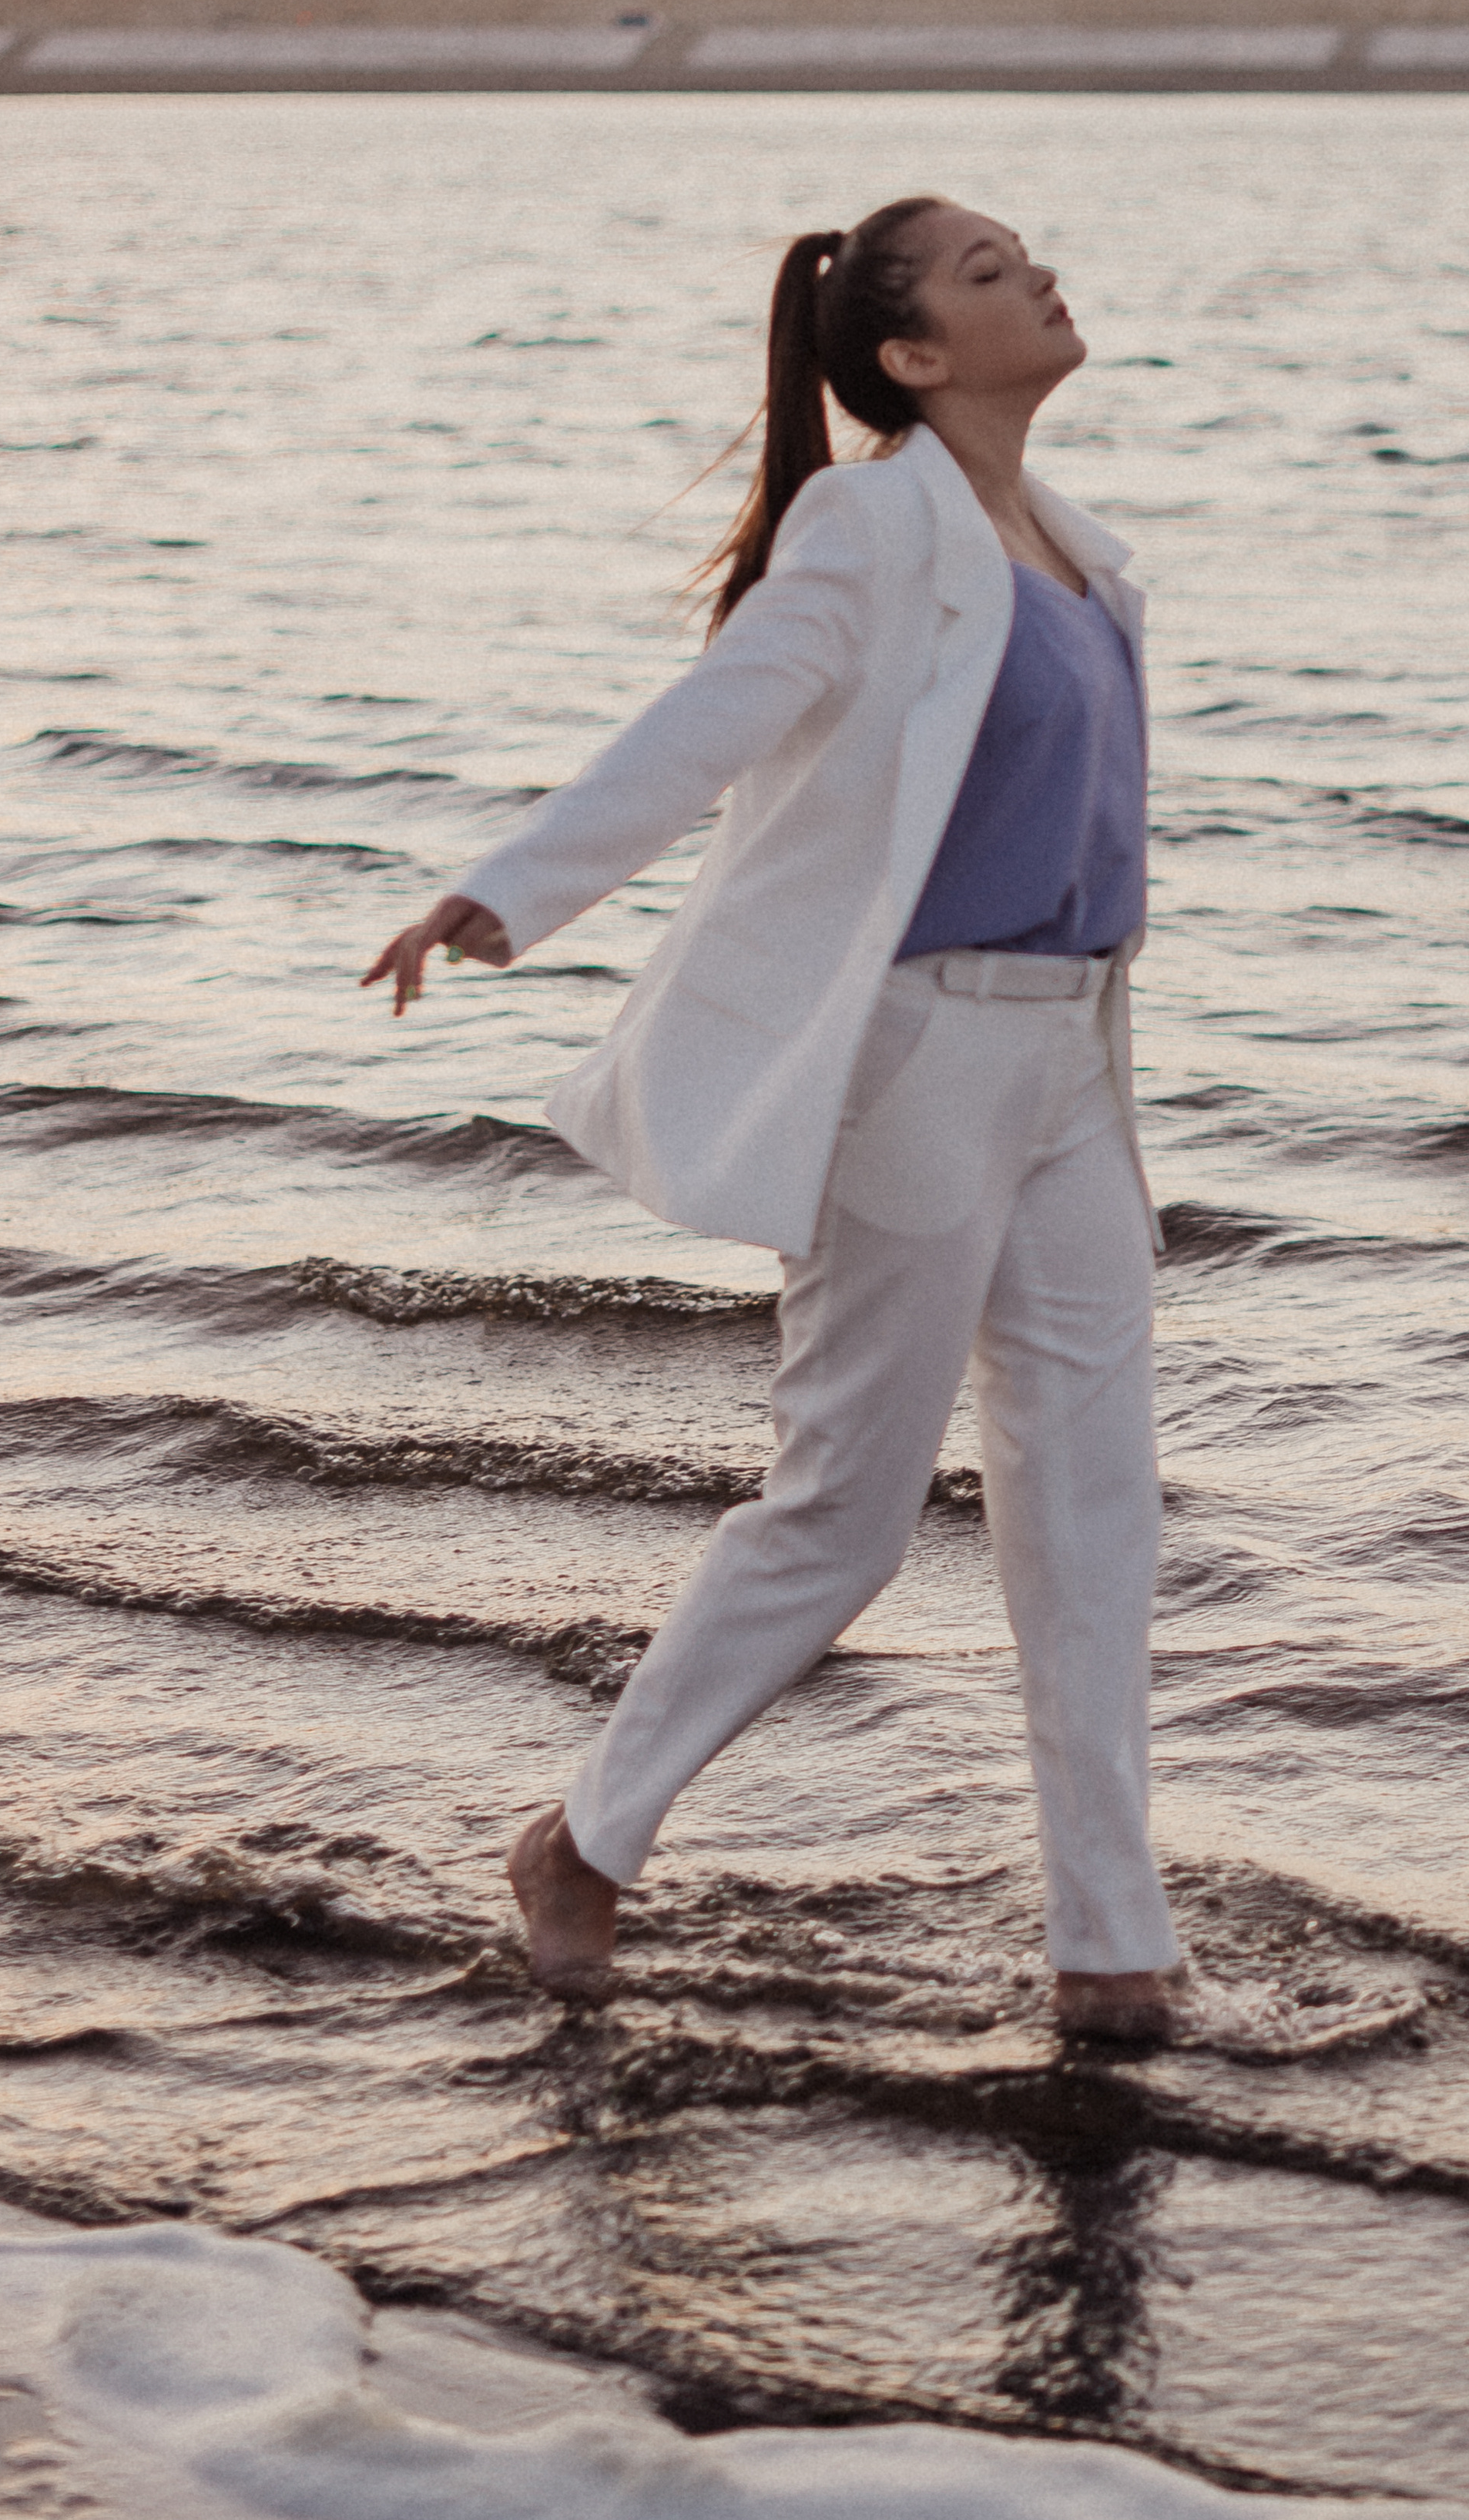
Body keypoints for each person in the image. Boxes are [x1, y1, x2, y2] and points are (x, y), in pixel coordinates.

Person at [362, 196, 1182, 2039]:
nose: (1035, 275)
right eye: (985, 274)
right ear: (907, 357)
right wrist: (508, 894)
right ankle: (582, 1839)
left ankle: (1111, 1950)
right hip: (914, 1058)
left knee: (1093, 1510)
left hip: (1067, 1066)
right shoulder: (872, 521)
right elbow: (718, 714)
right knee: (844, 1514)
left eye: (1022, 254)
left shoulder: (1073, 547)